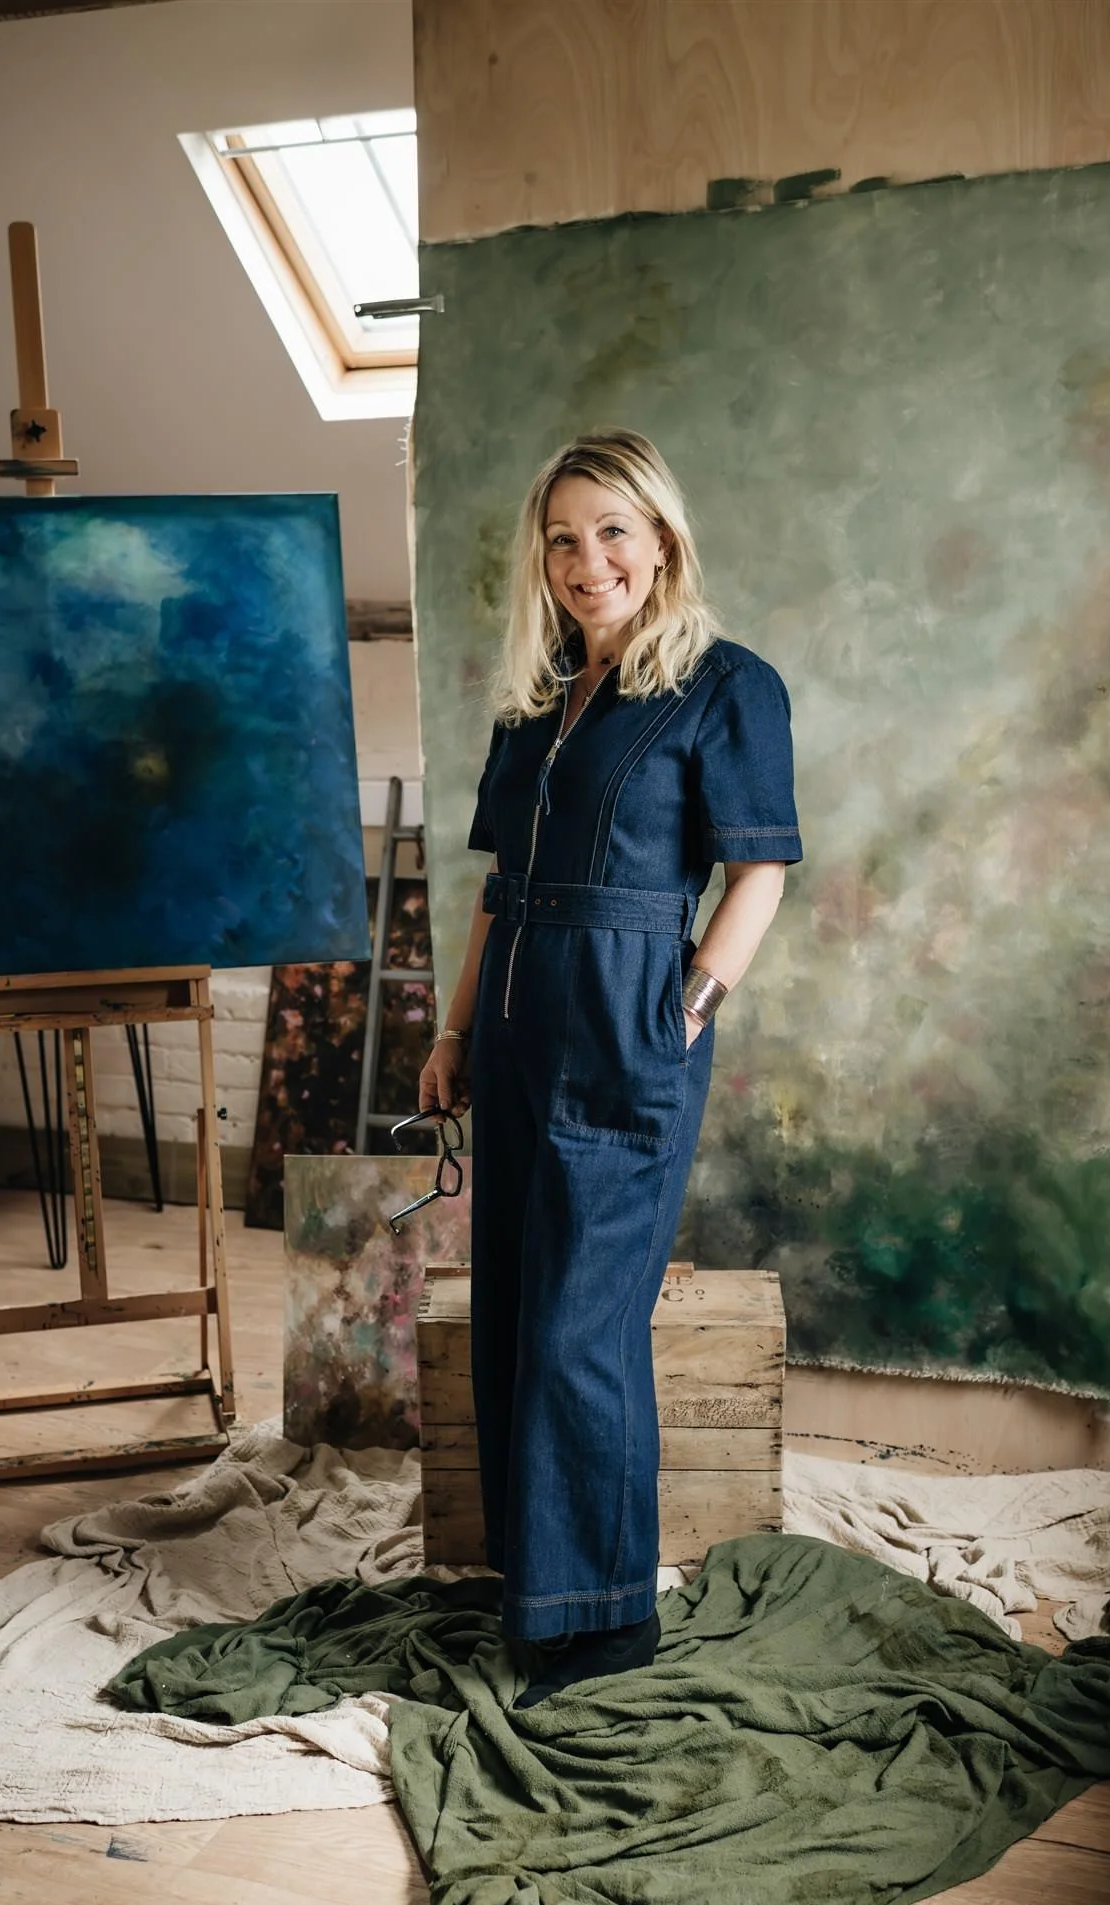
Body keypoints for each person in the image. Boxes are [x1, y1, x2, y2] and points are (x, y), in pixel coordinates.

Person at [418, 429, 802, 1707]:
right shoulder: (534, 705)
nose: (593, 561)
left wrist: (687, 1007)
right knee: (519, 1313)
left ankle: (606, 1625)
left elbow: (761, 870)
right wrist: (458, 1030)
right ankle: (541, 1596)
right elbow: (494, 889)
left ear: (664, 538)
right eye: (567, 538)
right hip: (520, 1022)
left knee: (585, 1325)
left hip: (628, 1016)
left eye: (616, 531)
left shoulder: (727, 687)